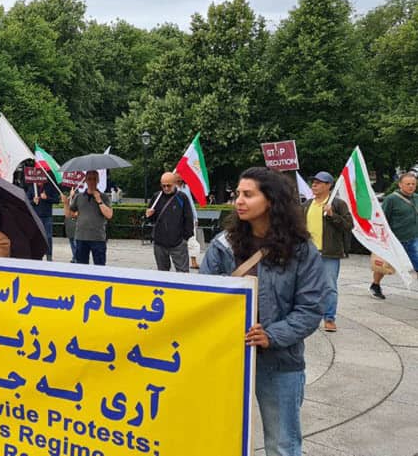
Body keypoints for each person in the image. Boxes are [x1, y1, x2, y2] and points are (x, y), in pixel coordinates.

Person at [200, 167, 328, 456]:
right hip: (226, 359)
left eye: (248, 194)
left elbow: (310, 308)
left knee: (282, 444)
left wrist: (271, 335)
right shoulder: (223, 245)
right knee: (217, 438)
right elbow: (203, 295)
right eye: (237, 194)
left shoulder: (301, 250)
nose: (238, 201)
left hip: (280, 362)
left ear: (271, 199)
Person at [303, 171, 352, 331]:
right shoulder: (306, 205)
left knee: (329, 287)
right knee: (304, 286)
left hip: (329, 253)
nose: (314, 185)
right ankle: (305, 315)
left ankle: (329, 318)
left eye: (319, 182)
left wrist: (332, 215)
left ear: (329, 185)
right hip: (307, 253)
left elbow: (348, 225)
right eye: (314, 182)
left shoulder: (338, 204)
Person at [373, 172, 418, 299]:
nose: (411, 186)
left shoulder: (416, 197)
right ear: (400, 184)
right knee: (384, 266)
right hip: (395, 240)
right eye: (408, 184)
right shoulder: (391, 199)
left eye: (413, 184)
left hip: (413, 239)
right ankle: (375, 285)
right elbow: (383, 219)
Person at [145, 172, 195, 272]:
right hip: (160, 242)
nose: (166, 188)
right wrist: (148, 215)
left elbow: (189, 218)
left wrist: (185, 238)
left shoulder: (182, 197)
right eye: (163, 186)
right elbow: (151, 218)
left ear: (175, 183)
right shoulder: (156, 196)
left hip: (178, 243)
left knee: (182, 272)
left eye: (169, 185)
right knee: (162, 273)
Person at [69, 171, 113, 265]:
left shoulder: (104, 197)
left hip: (98, 237)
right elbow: (70, 212)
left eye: (94, 179)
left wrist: (99, 200)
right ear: (85, 180)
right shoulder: (79, 197)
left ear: (98, 180)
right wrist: (67, 205)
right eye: (89, 179)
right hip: (81, 237)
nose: (92, 181)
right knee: (81, 268)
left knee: (99, 267)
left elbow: (109, 215)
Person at [26, 178, 60, 261]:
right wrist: (33, 201)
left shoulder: (49, 187)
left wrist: (47, 198)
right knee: (37, 237)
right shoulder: (31, 188)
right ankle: (37, 256)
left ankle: (49, 256)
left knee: (48, 237)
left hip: (47, 217)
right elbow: (27, 201)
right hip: (36, 217)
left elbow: (57, 200)